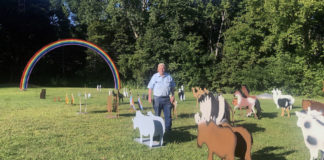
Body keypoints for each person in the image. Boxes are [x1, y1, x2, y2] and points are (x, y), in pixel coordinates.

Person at [147, 63, 175, 131]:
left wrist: (173, 96)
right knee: (157, 115)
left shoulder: (169, 77)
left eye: (163, 68)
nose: (162, 69)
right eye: (160, 68)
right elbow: (150, 87)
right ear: (158, 69)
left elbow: (172, 87)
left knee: (168, 115)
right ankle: (157, 128)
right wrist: (149, 97)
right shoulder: (155, 76)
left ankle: (168, 129)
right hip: (157, 99)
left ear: (164, 69)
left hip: (167, 99)